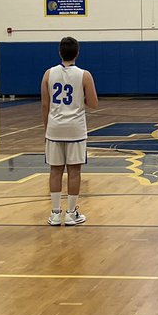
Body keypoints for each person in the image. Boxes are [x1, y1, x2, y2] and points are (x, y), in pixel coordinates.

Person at [41, 36, 99, 227]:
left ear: (59, 52)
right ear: (77, 53)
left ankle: (56, 213)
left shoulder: (48, 74)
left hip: (54, 128)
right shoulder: (84, 75)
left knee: (55, 171)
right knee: (74, 171)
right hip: (75, 129)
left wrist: (47, 127)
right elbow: (93, 104)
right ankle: (71, 213)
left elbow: (44, 104)